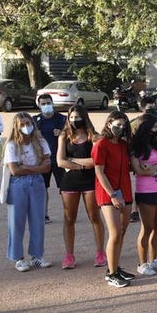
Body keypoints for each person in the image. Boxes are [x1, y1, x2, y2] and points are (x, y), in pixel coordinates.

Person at [3, 112, 53, 271]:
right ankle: (18, 257)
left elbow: (46, 167)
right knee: (16, 221)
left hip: (37, 182)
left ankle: (37, 255)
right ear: (17, 127)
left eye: (28, 123)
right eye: (22, 124)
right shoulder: (12, 145)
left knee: (37, 219)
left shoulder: (40, 142)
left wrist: (26, 167)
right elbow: (14, 170)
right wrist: (35, 168)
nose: (26, 127)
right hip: (18, 184)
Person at [56, 106, 104, 270]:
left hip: (90, 182)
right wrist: (84, 164)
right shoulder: (64, 136)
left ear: (84, 117)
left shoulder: (94, 137)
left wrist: (73, 161)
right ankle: (69, 255)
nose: (74, 120)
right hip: (69, 182)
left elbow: (95, 161)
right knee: (69, 219)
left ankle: (100, 252)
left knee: (94, 217)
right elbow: (60, 162)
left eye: (77, 117)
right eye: (71, 117)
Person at [93, 111, 136, 289]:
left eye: (123, 126)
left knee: (122, 232)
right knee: (115, 233)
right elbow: (99, 171)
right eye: (117, 125)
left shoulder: (124, 145)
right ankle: (111, 273)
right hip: (108, 194)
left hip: (125, 190)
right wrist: (112, 194)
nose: (120, 129)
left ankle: (115, 267)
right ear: (109, 123)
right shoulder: (101, 144)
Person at [129, 115, 157, 276]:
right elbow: (139, 170)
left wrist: (154, 170)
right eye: (154, 127)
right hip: (145, 191)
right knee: (147, 228)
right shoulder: (136, 147)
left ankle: (154, 260)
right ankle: (142, 263)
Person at [33, 94, 66, 223]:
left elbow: (71, 135)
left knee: (64, 188)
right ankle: (44, 214)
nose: (46, 106)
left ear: (52, 103)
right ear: (39, 105)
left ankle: (68, 213)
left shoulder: (62, 119)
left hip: (59, 158)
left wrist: (63, 133)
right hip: (42, 160)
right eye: (43, 104)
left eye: (48, 103)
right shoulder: (35, 121)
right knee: (42, 188)